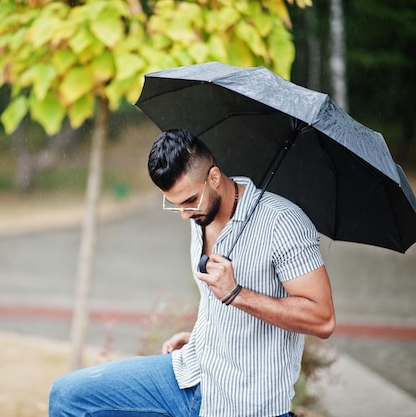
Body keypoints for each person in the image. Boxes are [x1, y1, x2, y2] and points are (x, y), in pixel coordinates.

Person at [49, 128, 336, 417]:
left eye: (189, 201)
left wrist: (236, 294)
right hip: (191, 373)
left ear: (214, 178)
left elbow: (322, 318)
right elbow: (216, 299)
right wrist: (207, 333)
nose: (184, 214)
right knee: (67, 397)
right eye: (175, 204)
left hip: (242, 403)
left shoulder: (283, 223)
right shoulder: (200, 214)